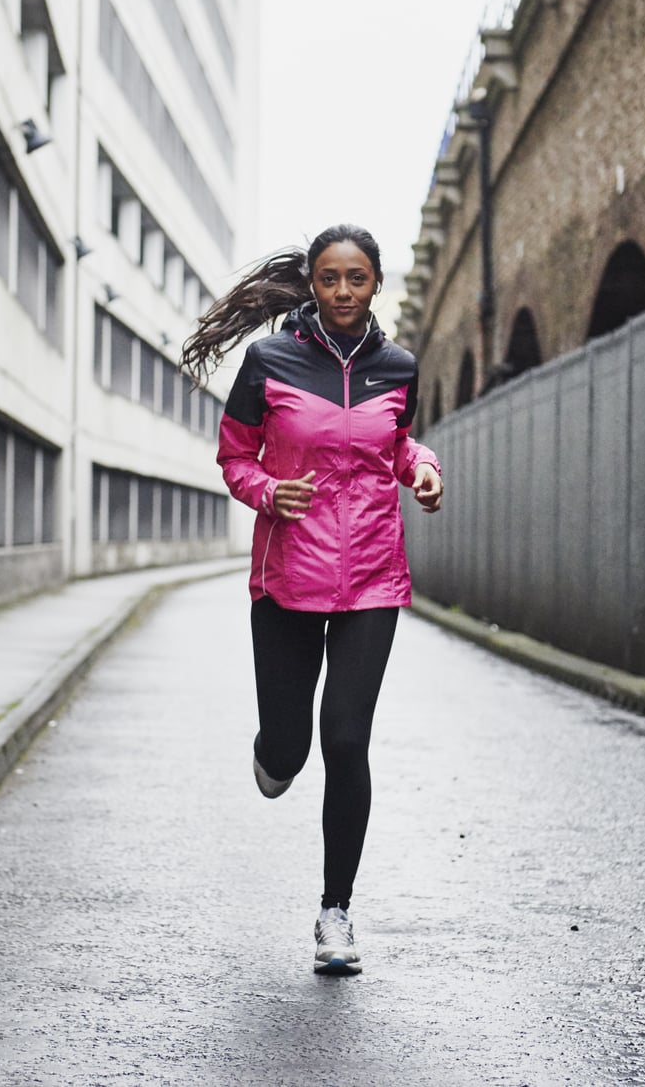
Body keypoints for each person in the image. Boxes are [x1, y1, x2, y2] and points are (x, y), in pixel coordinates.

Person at [182, 224, 444, 975]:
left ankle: (337, 911)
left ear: (375, 284)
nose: (341, 291)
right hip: (288, 577)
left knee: (347, 740)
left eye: (355, 278)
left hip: (371, 577)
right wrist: (269, 489)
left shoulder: (397, 366)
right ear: (313, 282)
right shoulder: (270, 360)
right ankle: (271, 752)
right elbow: (236, 454)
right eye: (329, 278)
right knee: (290, 749)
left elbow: (397, 444)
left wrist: (422, 468)